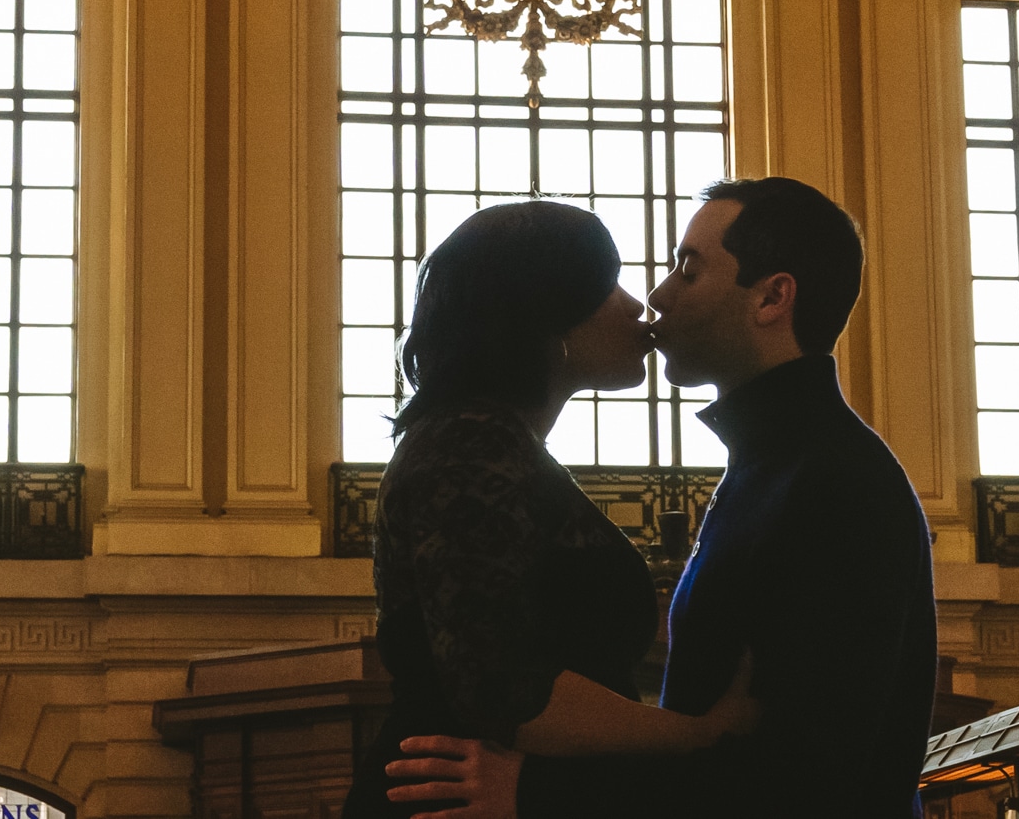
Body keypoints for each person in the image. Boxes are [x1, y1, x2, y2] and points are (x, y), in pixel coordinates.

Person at [383, 177, 939, 818]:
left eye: (688, 268)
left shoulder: (833, 482)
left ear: (772, 297)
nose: (653, 297)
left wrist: (543, 794)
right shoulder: (780, 467)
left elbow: (808, 769)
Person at [342, 199, 760, 818]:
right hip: (452, 797)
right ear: (547, 319)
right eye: (606, 286)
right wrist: (697, 734)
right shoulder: (467, 447)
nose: (635, 306)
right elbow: (503, 688)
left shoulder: (487, 443)